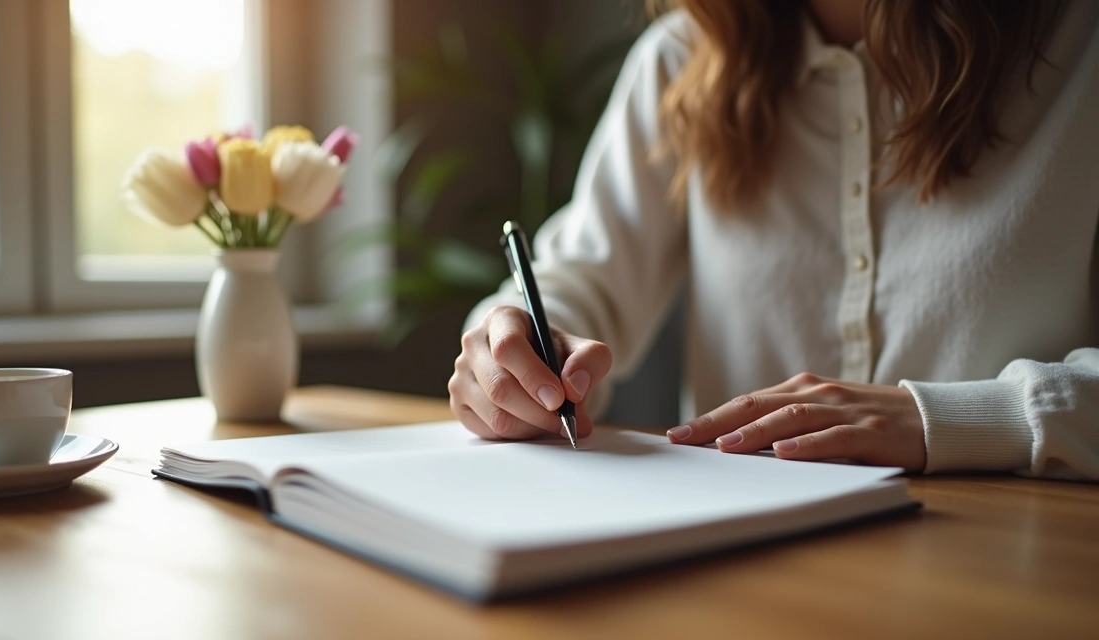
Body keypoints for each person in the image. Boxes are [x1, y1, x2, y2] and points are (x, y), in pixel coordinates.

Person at [448, 0, 1099, 480]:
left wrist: (946, 419)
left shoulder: (1079, 46)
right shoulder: (684, 59)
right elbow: (581, 279)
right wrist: (512, 351)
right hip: (743, 566)